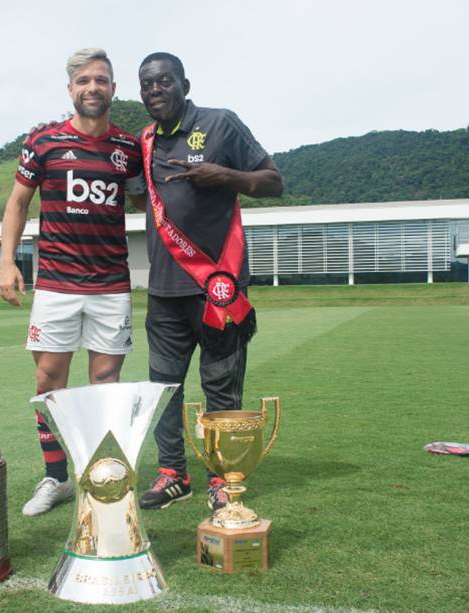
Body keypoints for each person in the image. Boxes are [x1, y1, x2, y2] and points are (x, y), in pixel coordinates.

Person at [0, 48, 144, 516]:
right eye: (84, 80)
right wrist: (7, 262)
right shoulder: (43, 142)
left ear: (113, 90)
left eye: (101, 80)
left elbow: (148, 201)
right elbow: (18, 203)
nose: (92, 87)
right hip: (56, 283)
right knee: (48, 381)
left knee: (105, 381)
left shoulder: (127, 149)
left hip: (111, 284)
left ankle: (99, 474)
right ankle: (56, 478)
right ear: (70, 89)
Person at [135, 52, 284, 511]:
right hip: (163, 293)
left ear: (185, 83)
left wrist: (227, 176)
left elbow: (274, 181)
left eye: (164, 81)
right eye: (146, 84)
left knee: (220, 389)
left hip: (217, 290)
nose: (155, 90)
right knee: (164, 391)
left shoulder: (220, 124)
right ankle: (172, 474)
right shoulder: (144, 141)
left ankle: (223, 477)